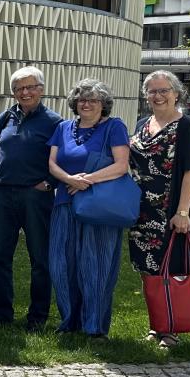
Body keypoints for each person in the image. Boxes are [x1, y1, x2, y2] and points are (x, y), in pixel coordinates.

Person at [129, 71, 190, 349]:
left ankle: (171, 330)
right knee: (148, 270)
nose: (158, 96)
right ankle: (156, 325)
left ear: (177, 93)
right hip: (142, 213)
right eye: (152, 91)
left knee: (171, 268)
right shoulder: (142, 124)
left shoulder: (187, 128)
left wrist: (183, 212)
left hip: (171, 212)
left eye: (164, 90)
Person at [47, 79, 130, 338]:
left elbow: (121, 165)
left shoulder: (114, 127)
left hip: (100, 206)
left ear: (103, 104)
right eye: (82, 99)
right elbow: (51, 163)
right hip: (65, 203)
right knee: (62, 264)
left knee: (97, 264)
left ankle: (94, 327)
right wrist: (70, 180)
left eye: (93, 100)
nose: (86, 104)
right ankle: (69, 322)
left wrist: (86, 180)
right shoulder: (62, 127)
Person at [0, 66, 63, 330]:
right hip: (3, 194)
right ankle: (1, 315)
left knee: (40, 259)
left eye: (30, 87)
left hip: (35, 196)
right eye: (19, 88)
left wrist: (50, 182)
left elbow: (62, 159)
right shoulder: (5, 116)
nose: (25, 92)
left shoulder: (54, 121)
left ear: (41, 90)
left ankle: (37, 317)